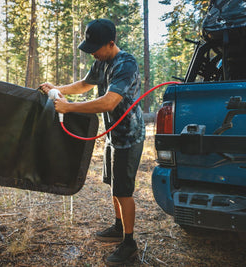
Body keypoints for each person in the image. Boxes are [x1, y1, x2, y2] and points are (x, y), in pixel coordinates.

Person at [39, 18, 145, 265]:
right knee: (113, 185)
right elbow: (85, 85)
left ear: (111, 43)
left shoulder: (125, 63)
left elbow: (109, 102)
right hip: (113, 135)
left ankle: (129, 244)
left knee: (124, 191)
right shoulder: (102, 62)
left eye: (96, 48)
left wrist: (69, 108)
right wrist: (58, 88)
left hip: (129, 136)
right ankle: (118, 227)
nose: (93, 53)